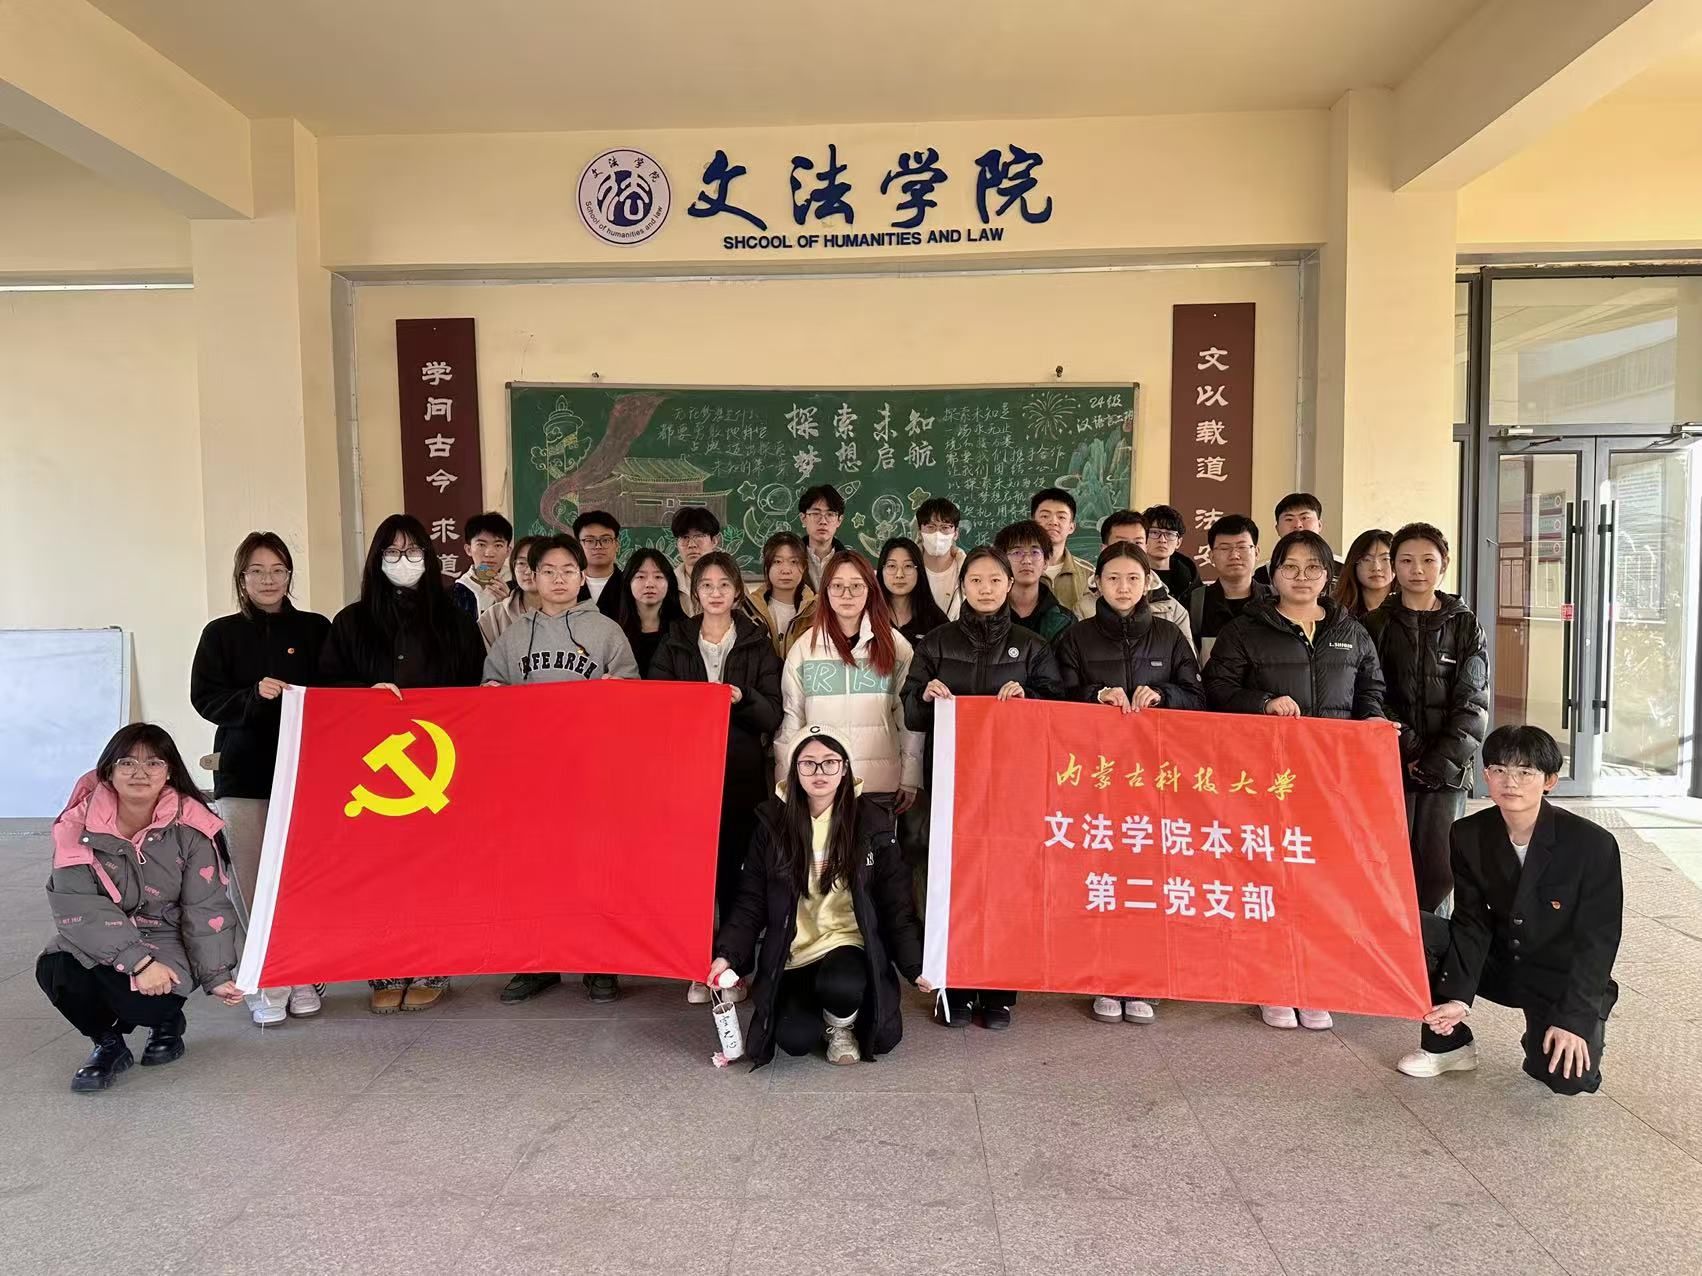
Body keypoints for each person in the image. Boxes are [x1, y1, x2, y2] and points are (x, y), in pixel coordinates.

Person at [1204, 528, 1386, 1032]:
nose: (1302, 577)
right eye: (1290, 567)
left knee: (1323, 882)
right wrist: (1263, 703)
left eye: (1313, 568)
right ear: (1274, 572)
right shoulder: (1246, 630)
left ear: (1328, 575)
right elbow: (1216, 689)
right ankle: (1273, 983)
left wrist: (1372, 721)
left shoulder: (1351, 631)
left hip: (1331, 780)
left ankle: (1316, 982)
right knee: (1269, 879)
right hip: (1266, 779)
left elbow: (1371, 689)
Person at [320, 514, 485, 1013]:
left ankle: (434, 963)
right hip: (373, 770)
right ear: (376, 560)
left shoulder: (455, 622)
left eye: (413, 551)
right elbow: (326, 688)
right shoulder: (350, 622)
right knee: (378, 869)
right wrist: (363, 694)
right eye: (392, 553)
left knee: (436, 868)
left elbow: (476, 690)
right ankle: (384, 967)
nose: (403, 561)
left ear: (428, 558)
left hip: (441, 763)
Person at [1398, 726, 1622, 1095]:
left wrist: (1573, 1018)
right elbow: (1470, 920)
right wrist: (1458, 997)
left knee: (1568, 1079)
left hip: (1558, 976)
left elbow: (1598, 940)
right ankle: (1449, 1045)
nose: (1510, 782)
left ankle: (1544, 1031)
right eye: (1499, 770)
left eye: (1525, 771)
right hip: (1501, 963)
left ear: (1549, 781)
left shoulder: (1592, 844)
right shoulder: (1467, 833)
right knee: (1416, 929)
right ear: (1486, 776)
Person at [903, 545, 1062, 1030]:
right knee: (952, 881)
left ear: (1009, 585)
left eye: (995, 580)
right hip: (951, 783)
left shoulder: (1032, 646)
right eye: (976, 581)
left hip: (1011, 785)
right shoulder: (936, 643)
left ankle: (998, 990)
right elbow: (910, 711)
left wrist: (1028, 697)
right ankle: (951, 984)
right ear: (963, 586)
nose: (986, 589)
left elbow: (1056, 712)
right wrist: (925, 695)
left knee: (1006, 883)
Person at [38, 724, 246, 1092]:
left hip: (166, 934)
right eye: (127, 762)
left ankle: (166, 1021)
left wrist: (215, 975)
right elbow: (79, 906)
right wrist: (139, 963)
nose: (140, 772)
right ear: (108, 771)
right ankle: (108, 1044)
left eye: (153, 763)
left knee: (148, 1003)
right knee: (58, 969)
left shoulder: (192, 826)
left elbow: (205, 905)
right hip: (101, 932)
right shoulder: (76, 826)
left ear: (169, 771)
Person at [709, 727, 927, 1067]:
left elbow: (896, 902)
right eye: (808, 763)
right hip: (794, 951)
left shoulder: (871, 821)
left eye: (830, 762)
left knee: (841, 984)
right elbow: (751, 900)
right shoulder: (772, 823)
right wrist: (727, 955)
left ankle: (841, 1023)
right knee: (794, 1040)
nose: (819, 772)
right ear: (795, 770)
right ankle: (822, 1013)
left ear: (845, 768)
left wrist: (915, 966)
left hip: (848, 945)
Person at [483, 533, 640, 1006]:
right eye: (547, 571)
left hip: (593, 769)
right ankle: (538, 961)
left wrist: (618, 691)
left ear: (581, 576)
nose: (558, 579)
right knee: (535, 867)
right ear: (531, 576)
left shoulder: (607, 631)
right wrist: (492, 694)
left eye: (568, 571)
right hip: (532, 774)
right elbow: (490, 687)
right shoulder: (514, 635)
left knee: (595, 865)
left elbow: (634, 694)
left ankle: (600, 962)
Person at [1055, 542, 1205, 1026]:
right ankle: (1102, 974)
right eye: (1114, 578)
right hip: (1094, 778)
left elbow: (1198, 697)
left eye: (1133, 578)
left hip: (1154, 779)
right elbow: (1055, 697)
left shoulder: (1169, 635)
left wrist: (1163, 694)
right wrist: (1094, 695)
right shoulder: (1076, 637)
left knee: (1148, 877)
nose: (1123, 587)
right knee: (1101, 876)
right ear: (1097, 582)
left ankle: (1144, 977)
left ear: (1147, 583)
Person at [189, 531, 330, 1026]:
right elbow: (205, 698)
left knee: (301, 876)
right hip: (245, 775)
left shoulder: (315, 629)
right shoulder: (220, 634)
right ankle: (266, 978)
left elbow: (337, 690)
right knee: (250, 883)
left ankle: (304, 972)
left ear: (290, 575)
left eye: (278, 570)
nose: (268, 580)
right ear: (241, 578)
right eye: (257, 571)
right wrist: (252, 696)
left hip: (307, 775)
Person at [650, 551, 783, 1004]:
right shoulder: (675, 640)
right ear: (694, 592)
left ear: (737, 592)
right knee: (692, 874)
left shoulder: (756, 643)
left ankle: (733, 967)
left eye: (724, 584)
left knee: (734, 875)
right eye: (706, 585)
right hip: (686, 773)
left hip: (740, 775)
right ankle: (696, 964)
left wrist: (742, 699)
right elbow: (656, 705)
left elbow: (773, 713)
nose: (715, 593)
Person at [1363, 523, 1490, 913]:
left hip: (1447, 772)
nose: (1417, 569)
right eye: (1406, 560)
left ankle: (1434, 947)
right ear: (1394, 566)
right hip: (1390, 764)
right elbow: (1370, 694)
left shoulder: (1465, 625)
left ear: (1444, 564)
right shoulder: (1374, 624)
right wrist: (1410, 748)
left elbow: (1474, 703)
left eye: (1427, 560)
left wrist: (1437, 762)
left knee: (1439, 872)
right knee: (1386, 867)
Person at [777, 551, 923, 819]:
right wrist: (785, 781)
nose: (847, 594)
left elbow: (908, 719)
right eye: (837, 586)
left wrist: (910, 777)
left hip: (880, 785)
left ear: (870, 590)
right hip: (821, 786)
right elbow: (792, 718)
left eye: (856, 586)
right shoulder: (805, 648)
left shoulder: (895, 646)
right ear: (825, 591)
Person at [1102, 510, 1196, 647]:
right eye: (1121, 543)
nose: (1129, 550)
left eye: (1138, 543)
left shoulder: (1173, 609)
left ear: (1146, 547)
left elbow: (1186, 659)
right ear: (1104, 549)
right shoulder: (1084, 605)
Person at [1187, 514, 1272, 662]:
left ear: (1256, 552)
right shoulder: (1195, 603)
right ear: (1211, 556)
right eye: (1224, 548)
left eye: (1242, 547)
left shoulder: (1274, 599)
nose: (1234, 555)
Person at [992, 520, 1074, 642]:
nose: (1027, 560)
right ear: (1002, 562)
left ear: (1045, 562)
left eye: (1035, 552)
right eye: (1017, 553)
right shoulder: (988, 614)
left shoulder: (1064, 621)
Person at [617, 547, 688, 677]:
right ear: (628, 581)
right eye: (641, 576)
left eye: (658, 576)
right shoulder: (613, 629)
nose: (649, 584)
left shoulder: (685, 631)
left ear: (669, 582)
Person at [747, 531, 817, 656]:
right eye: (778, 561)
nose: (786, 570)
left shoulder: (817, 609)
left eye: (794, 562)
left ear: (804, 566)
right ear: (767, 566)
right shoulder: (748, 609)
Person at [1030, 487, 1096, 619]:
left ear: (1072, 527)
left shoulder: (1089, 574)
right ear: (1032, 523)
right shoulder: (1015, 569)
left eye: (1061, 517)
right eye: (1045, 516)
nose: (1053, 522)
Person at [1253, 493, 1345, 588]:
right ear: (1277, 529)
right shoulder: (1264, 573)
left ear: (1319, 525)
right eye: (1289, 519)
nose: (1298, 525)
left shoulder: (1342, 569)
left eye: (1305, 518)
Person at [878, 536, 951, 648]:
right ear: (881, 570)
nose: (899, 575)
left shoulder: (937, 622)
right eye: (891, 566)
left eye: (908, 566)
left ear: (919, 571)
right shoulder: (867, 617)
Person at [478, 534, 541, 648]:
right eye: (521, 563)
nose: (528, 571)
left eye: (535, 563)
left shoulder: (567, 613)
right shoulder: (493, 616)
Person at [451, 511, 514, 618]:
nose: (489, 553)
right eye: (481, 545)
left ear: (508, 551)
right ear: (468, 549)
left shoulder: (520, 588)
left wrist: (510, 607)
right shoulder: (455, 592)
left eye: (498, 545)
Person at [916, 496, 966, 619]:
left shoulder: (969, 571)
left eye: (945, 527)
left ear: (956, 533)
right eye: (931, 527)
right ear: (920, 532)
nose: (937, 534)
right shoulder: (907, 569)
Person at [1140, 505, 1201, 605]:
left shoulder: (1191, 580)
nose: (1162, 540)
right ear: (1143, 537)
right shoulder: (1133, 576)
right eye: (1154, 532)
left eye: (1169, 534)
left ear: (1178, 542)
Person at [573, 510, 625, 620]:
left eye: (605, 540)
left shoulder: (630, 585)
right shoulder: (567, 586)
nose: (598, 546)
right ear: (578, 546)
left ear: (617, 545)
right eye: (590, 540)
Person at [671, 507, 722, 617]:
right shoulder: (669, 583)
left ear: (714, 541)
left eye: (699, 536)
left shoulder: (731, 579)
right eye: (685, 537)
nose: (691, 545)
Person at [1334, 528, 1395, 618]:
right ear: (1354, 564)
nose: (1376, 568)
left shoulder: (1411, 608)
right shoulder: (1336, 612)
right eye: (1366, 559)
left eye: (1386, 559)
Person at [799, 484, 848, 590]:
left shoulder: (850, 563)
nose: (823, 521)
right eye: (816, 514)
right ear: (803, 519)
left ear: (839, 521)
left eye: (830, 514)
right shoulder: (791, 558)